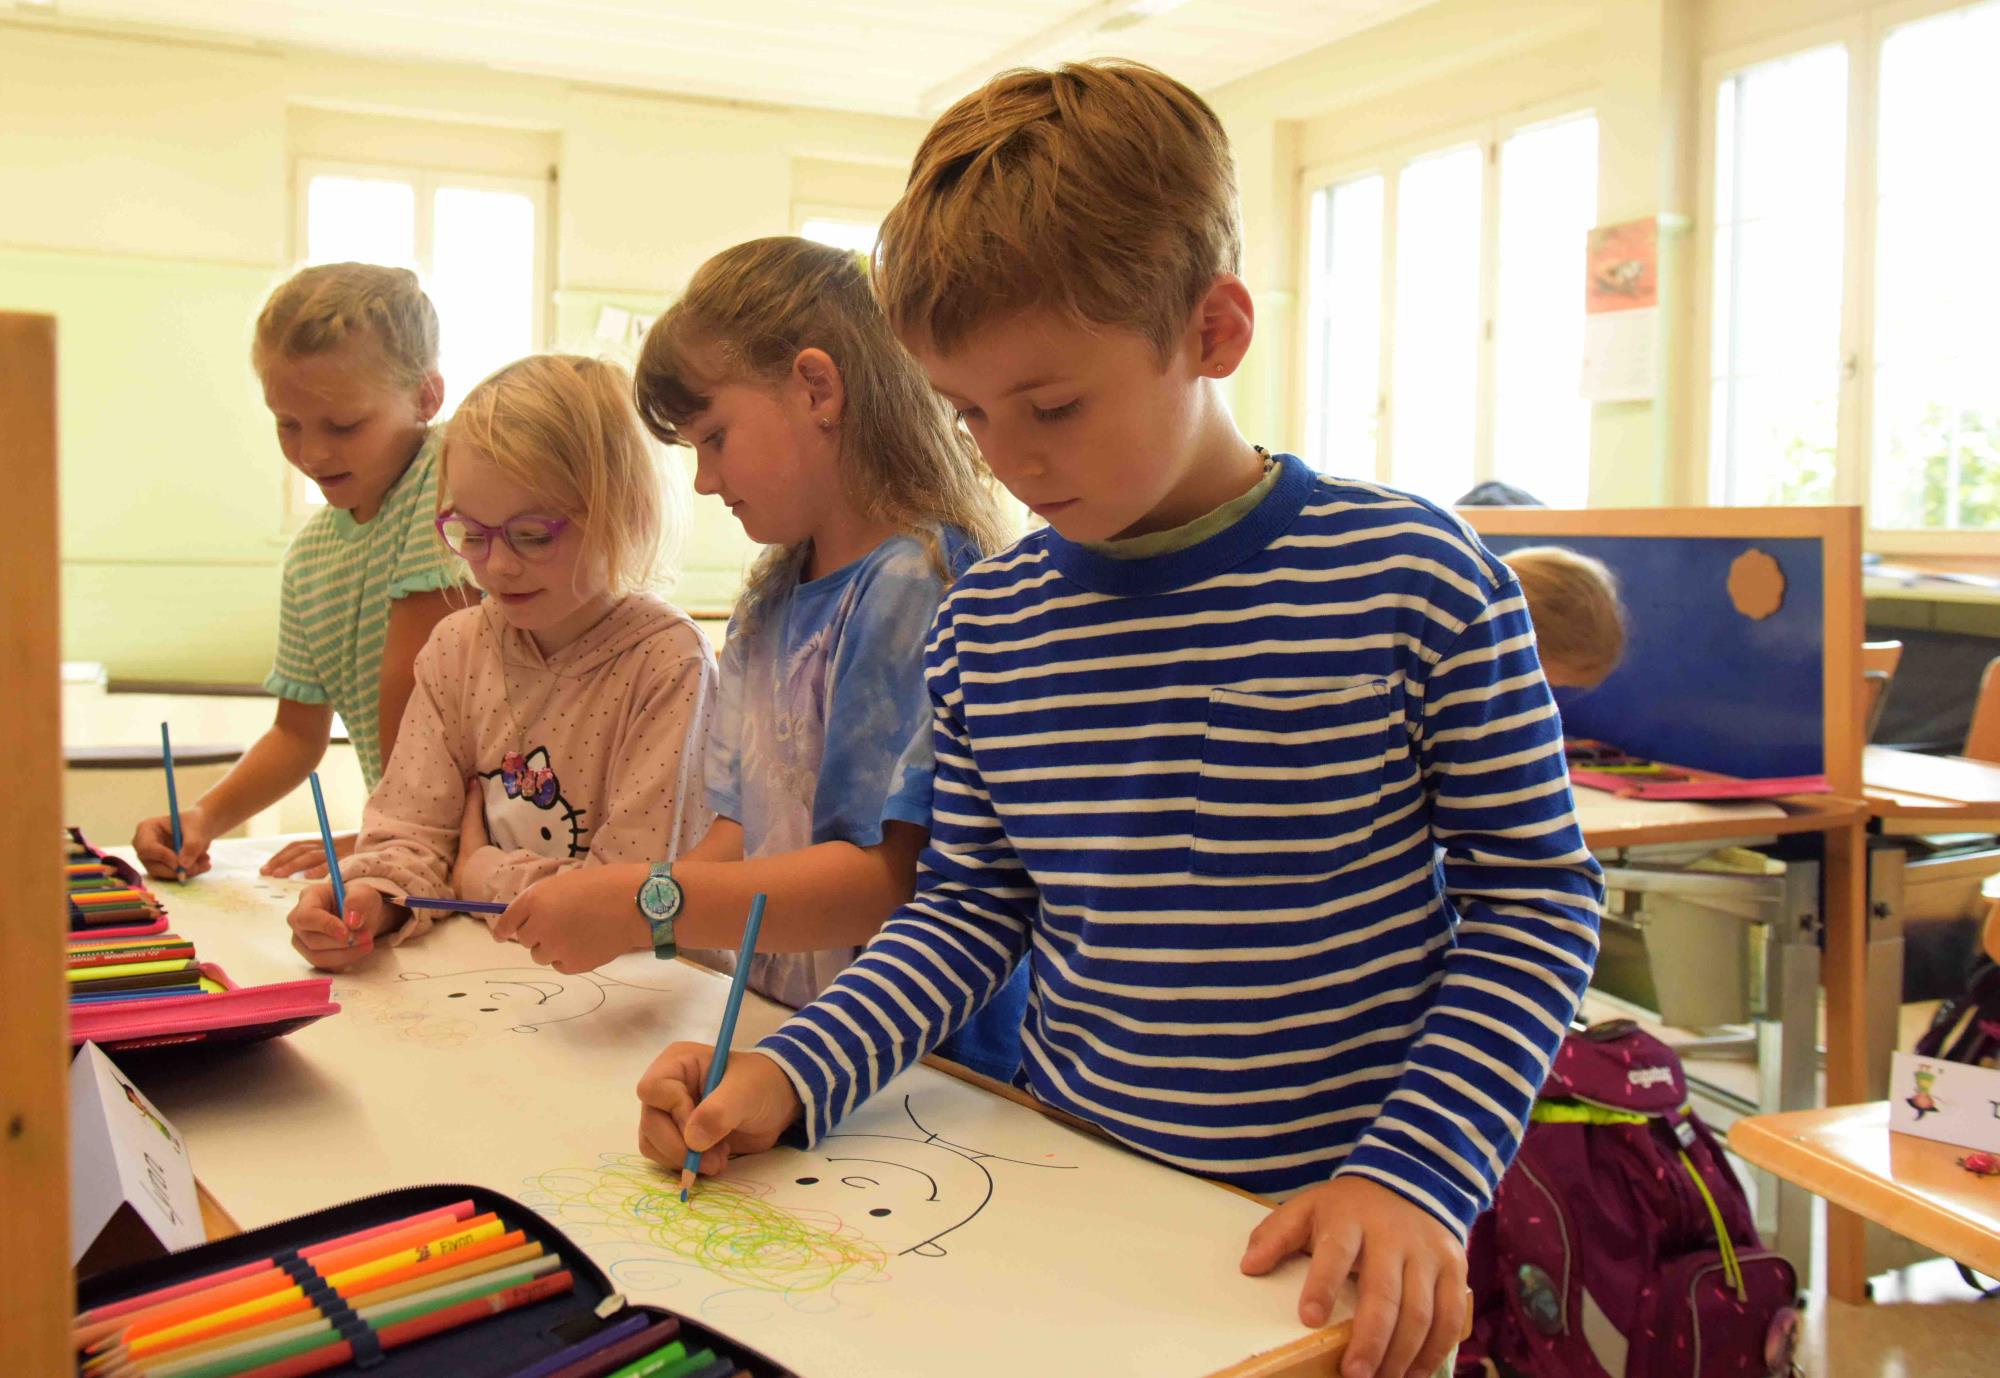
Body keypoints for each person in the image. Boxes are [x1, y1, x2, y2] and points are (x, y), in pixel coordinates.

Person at [630, 64, 1603, 1378]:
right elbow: (972, 908)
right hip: (1082, 1201)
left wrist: (1418, 1169)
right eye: (971, 414)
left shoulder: (1414, 575)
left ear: (1213, 330)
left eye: (1054, 405)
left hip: (1349, 1243)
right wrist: (802, 1070)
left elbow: (1537, 897)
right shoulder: (991, 624)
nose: (1014, 460)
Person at [488, 238, 1029, 1082]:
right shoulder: (770, 601)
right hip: (794, 1044)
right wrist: (634, 902)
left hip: (920, 1070)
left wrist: (647, 905)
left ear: (817, 388)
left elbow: (879, 882)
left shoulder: (915, 582)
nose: (704, 481)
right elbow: (737, 837)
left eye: (714, 437)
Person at [283, 354, 714, 971]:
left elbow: (624, 897)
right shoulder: (457, 649)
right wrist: (367, 899)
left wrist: (481, 871)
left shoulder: (669, 665)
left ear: (628, 512)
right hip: (497, 989)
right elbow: (410, 830)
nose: (497, 566)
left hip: (640, 1001)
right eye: (471, 534)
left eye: (533, 535)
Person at [135, 264, 469, 882]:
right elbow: (295, 733)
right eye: (287, 424)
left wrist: (391, 837)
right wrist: (204, 816)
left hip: (493, 839)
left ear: (427, 396)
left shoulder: (455, 476)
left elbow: (422, 697)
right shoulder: (312, 556)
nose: (312, 453)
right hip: (422, 839)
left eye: (344, 425)